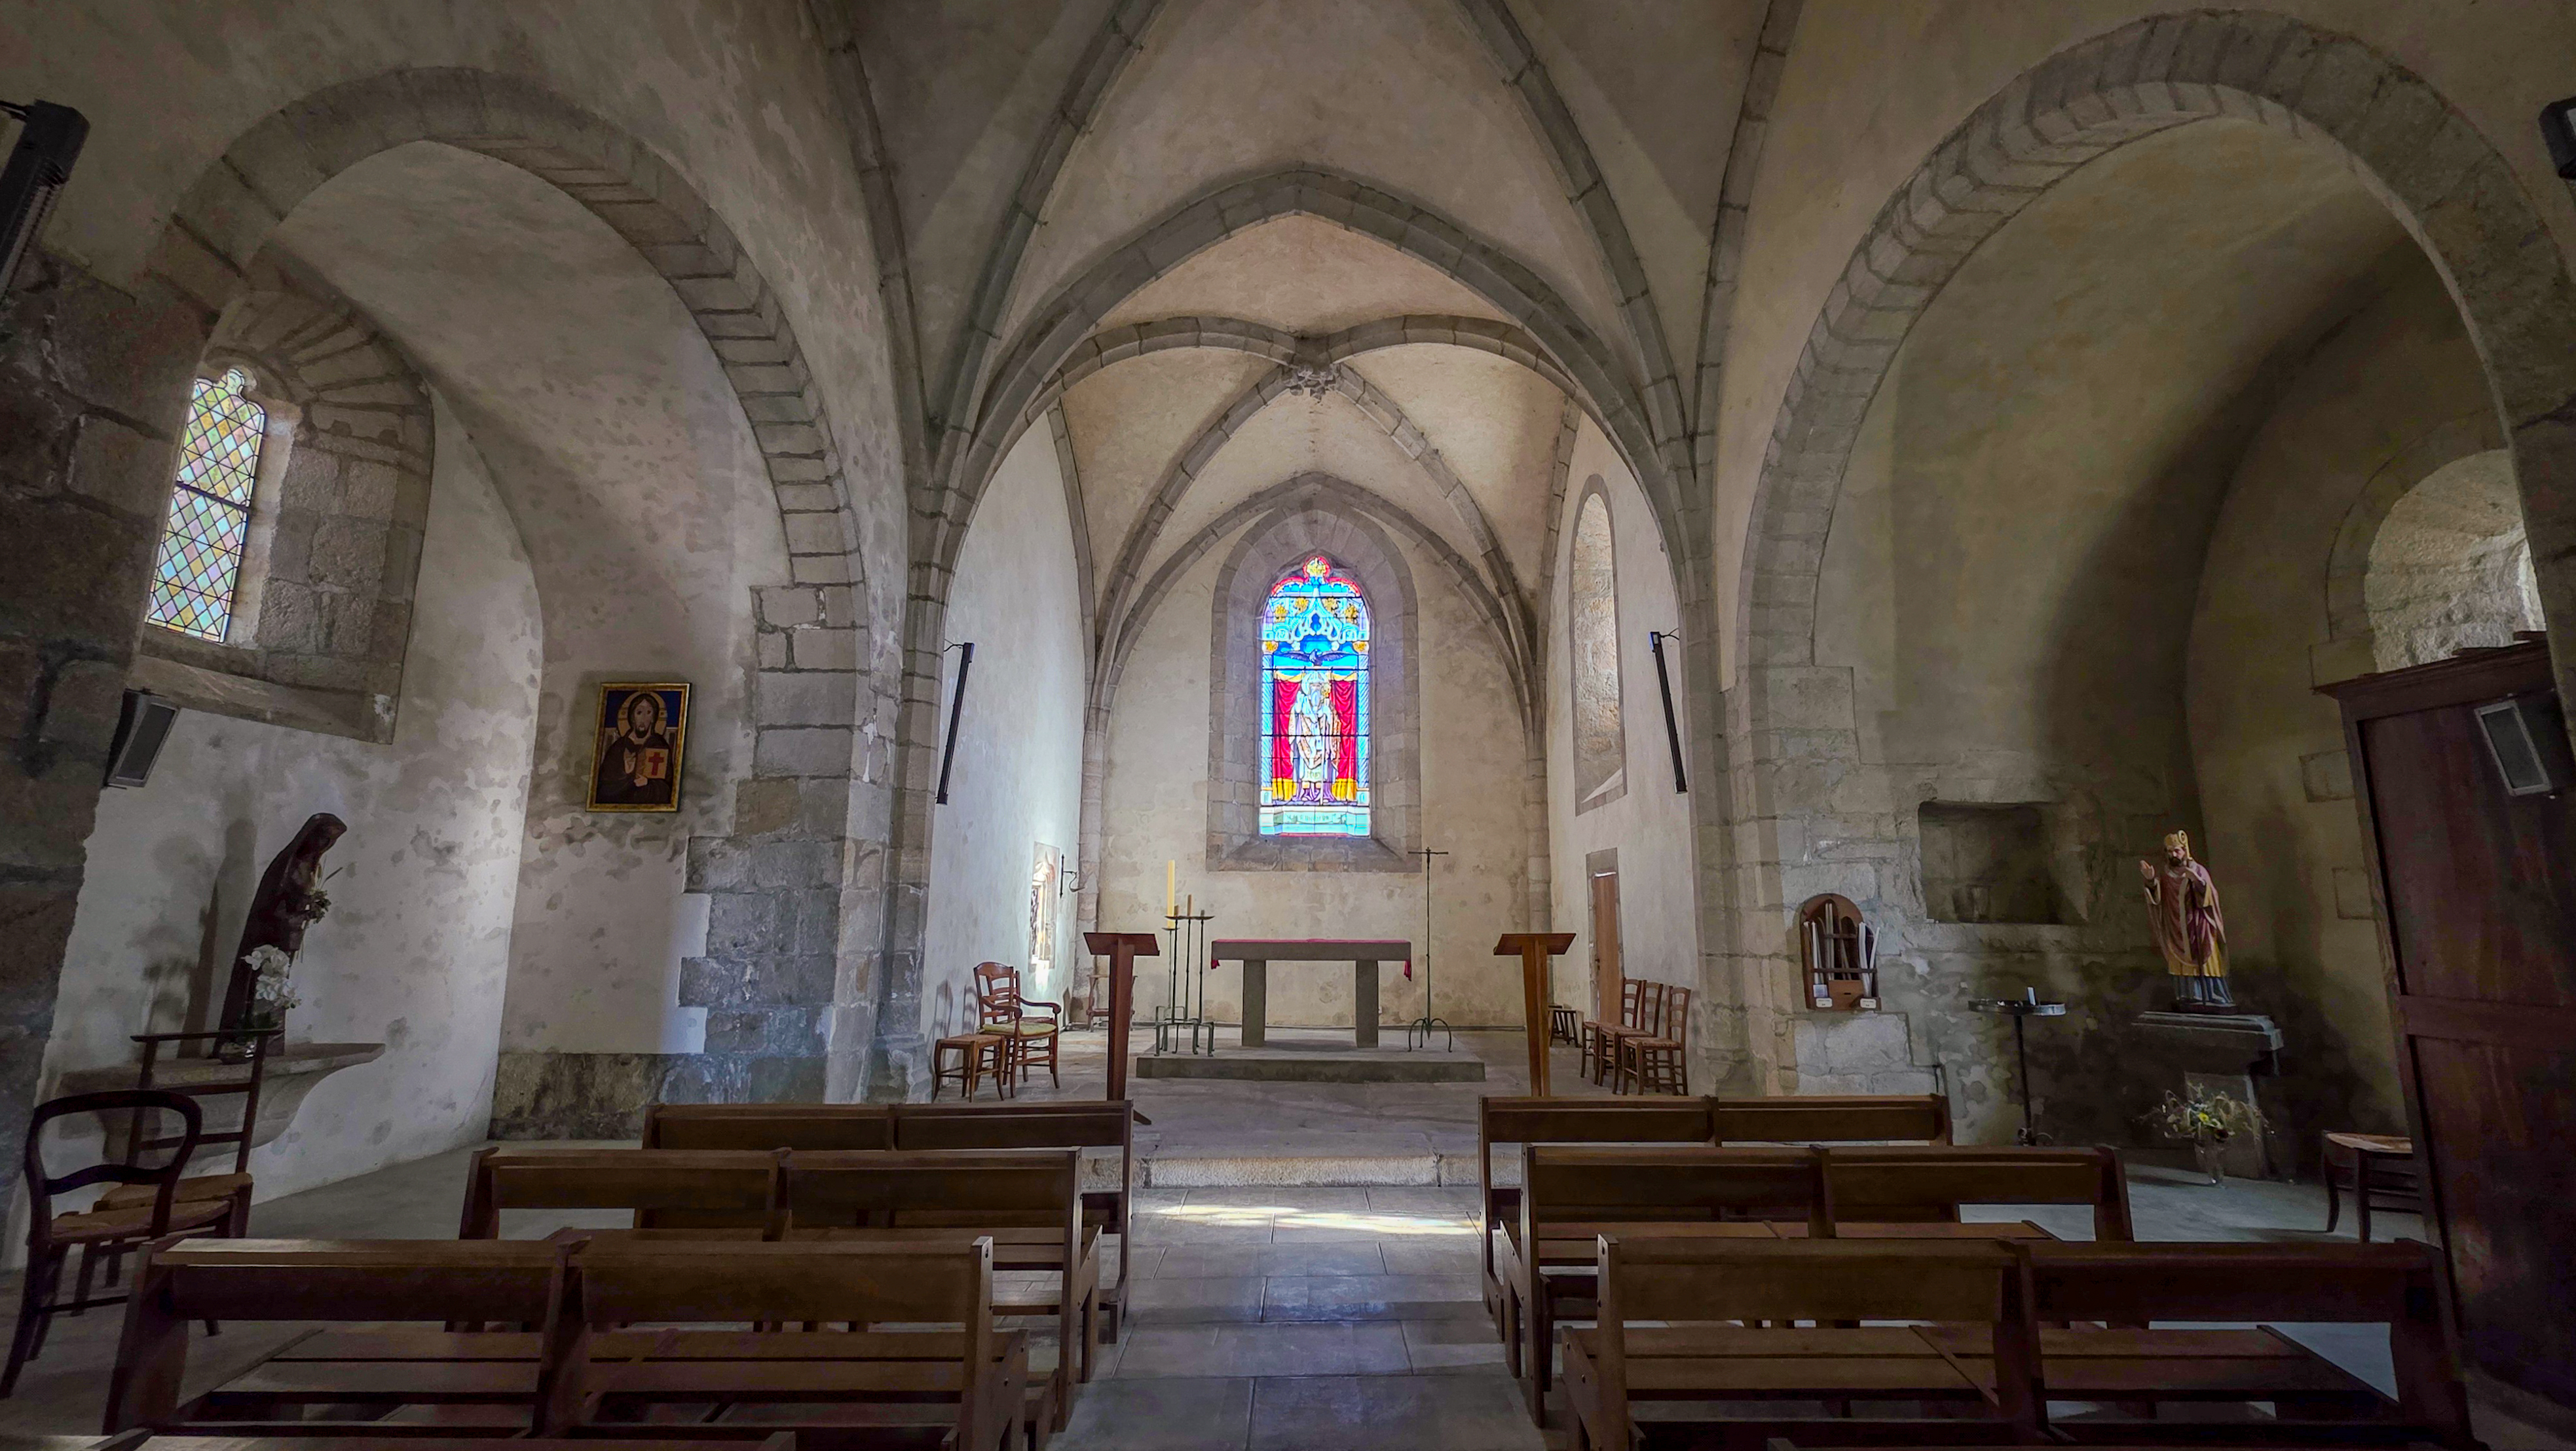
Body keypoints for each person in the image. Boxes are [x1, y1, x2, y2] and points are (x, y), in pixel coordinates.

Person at [2140, 829, 2232, 1010]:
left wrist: (2198, 881)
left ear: (2185, 850)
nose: (2173, 855)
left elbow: (2210, 897)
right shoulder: (2166, 875)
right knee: (2180, 962)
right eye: (2169, 851)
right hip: (2176, 927)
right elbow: (2158, 900)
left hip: (2199, 926)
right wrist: (2151, 882)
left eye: (2177, 850)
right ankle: (2189, 996)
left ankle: (2215, 996)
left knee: (2207, 960)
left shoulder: (2198, 870)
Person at [594, 689, 679, 807]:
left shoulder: (659, 746)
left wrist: (648, 783)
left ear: (654, 718)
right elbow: (603, 788)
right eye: (639, 712)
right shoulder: (619, 748)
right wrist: (627, 775)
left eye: (649, 712)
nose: (643, 718)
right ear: (632, 716)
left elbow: (668, 789)